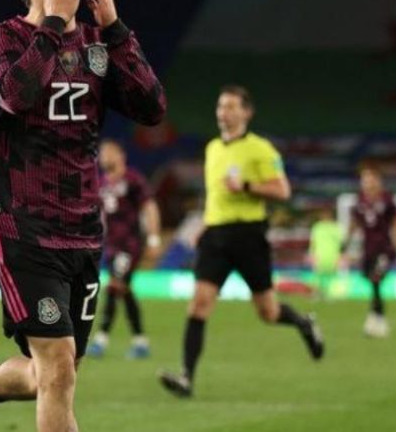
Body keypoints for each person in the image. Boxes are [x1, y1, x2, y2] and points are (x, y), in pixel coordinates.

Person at [0, 0, 166, 432]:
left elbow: (152, 108)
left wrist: (115, 29)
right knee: (59, 369)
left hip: (83, 231)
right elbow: (16, 94)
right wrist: (56, 24)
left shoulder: (95, 45)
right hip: (24, 227)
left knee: (54, 373)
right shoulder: (2, 39)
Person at [159, 85, 323, 398]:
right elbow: (215, 196)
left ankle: (304, 323)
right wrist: (204, 226)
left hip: (249, 235)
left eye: (232, 107)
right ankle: (186, 378)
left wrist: (246, 185)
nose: (224, 112)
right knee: (198, 305)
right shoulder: (212, 149)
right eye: (221, 107)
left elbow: (283, 191)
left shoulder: (261, 149)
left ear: (247, 112)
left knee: (268, 313)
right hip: (216, 236)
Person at [87, 139, 161, 359]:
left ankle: (100, 339)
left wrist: (154, 239)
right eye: (101, 153)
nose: (103, 156)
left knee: (114, 286)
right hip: (111, 246)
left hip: (130, 245)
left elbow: (150, 207)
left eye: (108, 152)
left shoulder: (133, 179)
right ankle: (140, 342)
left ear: (121, 155)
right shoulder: (100, 183)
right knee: (124, 290)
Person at [343, 166, 396, 338]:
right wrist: (346, 243)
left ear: (378, 181)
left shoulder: (387, 200)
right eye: (364, 180)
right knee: (372, 281)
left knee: (376, 279)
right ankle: (375, 318)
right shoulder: (359, 201)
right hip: (368, 249)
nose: (366, 184)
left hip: (384, 247)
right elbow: (355, 223)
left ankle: (378, 320)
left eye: (369, 180)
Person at [308, 207, 345, 300]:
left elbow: (341, 243)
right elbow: (313, 242)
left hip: (332, 256)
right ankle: (316, 294)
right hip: (319, 255)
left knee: (330, 276)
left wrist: (341, 256)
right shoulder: (317, 227)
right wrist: (311, 254)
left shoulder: (336, 228)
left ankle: (327, 295)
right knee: (317, 276)